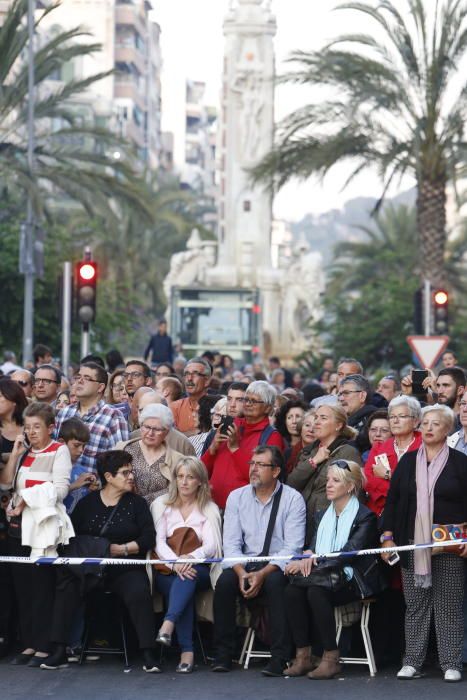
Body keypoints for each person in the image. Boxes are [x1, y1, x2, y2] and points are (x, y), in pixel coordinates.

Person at [41, 450, 160, 673]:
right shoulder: (87, 504)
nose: (131, 476)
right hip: (90, 567)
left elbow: (148, 538)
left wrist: (121, 550)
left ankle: (148, 651)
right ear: (108, 476)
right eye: (125, 472)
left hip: (124, 567)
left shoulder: (137, 504)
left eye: (131, 471)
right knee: (66, 585)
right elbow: (71, 537)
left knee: (138, 590)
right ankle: (58, 649)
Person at [381, 404, 467, 682]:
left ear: (447, 430)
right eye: (425, 423)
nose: (428, 428)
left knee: (449, 606)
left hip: (449, 545)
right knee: (416, 605)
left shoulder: (460, 462)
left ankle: (451, 663)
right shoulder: (407, 462)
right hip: (412, 543)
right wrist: (387, 538)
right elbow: (392, 502)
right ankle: (412, 661)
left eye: (436, 424)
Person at [212, 445, 306, 676]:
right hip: (244, 563)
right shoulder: (237, 497)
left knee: (276, 584)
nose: (253, 469)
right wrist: (242, 573)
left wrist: (263, 573)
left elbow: (292, 547)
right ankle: (224, 654)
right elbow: (231, 544)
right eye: (251, 464)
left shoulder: (293, 499)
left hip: (276, 564)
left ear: (275, 471)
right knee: (224, 583)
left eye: (260, 465)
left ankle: (280, 656)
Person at [284, 459, 381, 679]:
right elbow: (313, 547)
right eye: (328, 479)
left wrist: (316, 561)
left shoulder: (365, 516)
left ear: (350, 486)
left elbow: (349, 552)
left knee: (316, 591)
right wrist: (306, 556)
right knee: (292, 591)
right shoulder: (322, 514)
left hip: (353, 578)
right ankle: (304, 656)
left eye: (335, 480)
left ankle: (331, 657)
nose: (328, 484)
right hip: (326, 574)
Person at [1, 402, 73, 667]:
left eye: (36, 427)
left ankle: (45, 644)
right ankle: (29, 643)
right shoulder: (24, 451)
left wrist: (28, 500)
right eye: (27, 427)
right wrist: (16, 453)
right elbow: (7, 483)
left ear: (50, 428)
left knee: (43, 588)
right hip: (18, 526)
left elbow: (61, 489)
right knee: (23, 588)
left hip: (43, 528)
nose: (31, 432)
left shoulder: (59, 450)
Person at [151, 456, 222, 673]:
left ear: (200, 481)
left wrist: (188, 559)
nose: (184, 482)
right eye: (180, 476)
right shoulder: (162, 505)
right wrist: (175, 564)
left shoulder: (208, 508)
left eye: (190, 477)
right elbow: (159, 542)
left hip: (197, 567)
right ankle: (187, 651)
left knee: (187, 576)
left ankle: (168, 625)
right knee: (182, 582)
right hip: (166, 569)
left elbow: (211, 546)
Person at [202, 380, 285, 510]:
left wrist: (235, 448)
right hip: (212, 507)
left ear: (268, 408)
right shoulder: (230, 424)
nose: (248, 404)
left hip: (244, 511)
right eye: (246, 400)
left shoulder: (271, 436)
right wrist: (213, 448)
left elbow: (263, 478)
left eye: (254, 401)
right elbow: (202, 471)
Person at [287, 404, 361, 543]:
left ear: (338, 425)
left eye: (323, 418)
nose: (316, 422)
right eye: (316, 417)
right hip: (301, 523)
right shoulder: (309, 452)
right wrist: (313, 461)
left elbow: (356, 495)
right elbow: (291, 483)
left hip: (331, 527)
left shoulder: (348, 453)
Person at [55, 362, 129, 482]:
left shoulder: (113, 417)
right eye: (78, 377)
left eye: (87, 378)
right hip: (61, 488)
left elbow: (120, 464)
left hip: (93, 493)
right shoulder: (64, 413)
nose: (80, 381)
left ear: (100, 387)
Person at [116, 404, 184, 506]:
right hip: (124, 511)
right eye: (147, 427)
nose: (150, 433)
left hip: (160, 515)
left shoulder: (177, 460)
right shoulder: (124, 450)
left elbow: (179, 492)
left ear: (166, 432)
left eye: (157, 429)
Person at [364, 397, 422, 517]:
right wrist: (401, 489)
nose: (395, 421)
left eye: (401, 416)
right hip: (380, 512)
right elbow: (370, 481)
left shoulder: (425, 446)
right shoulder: (379, 447)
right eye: (392, 417)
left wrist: (387, 474)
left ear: (415, 421)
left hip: (414, 513)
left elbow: (419, 483)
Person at [133, 390, 196, 456]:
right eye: (141, 410)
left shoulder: (182, 444)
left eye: (151, 411)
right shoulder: (132, 439)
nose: (144, 415)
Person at [58, 418, 96, 513]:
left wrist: (93, 489)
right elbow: (49, 496)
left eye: (84, 446)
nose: (81, 450)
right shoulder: (52, 468)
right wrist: (75, 485)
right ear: (62, 443)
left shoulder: (83, 471)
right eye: (76, 445)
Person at [171, 357, 212, 436]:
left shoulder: (216, 407)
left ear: (207, 381)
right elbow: (169, 437)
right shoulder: (175, 407)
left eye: (195, 374)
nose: (189, 378)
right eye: (186, 374)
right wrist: (194, 433)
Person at [274, 399, 307, 472]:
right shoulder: (279, 444)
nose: (294, 421)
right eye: (289, 417)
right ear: (284, 421)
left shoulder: (311, 446)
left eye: (298, 416)